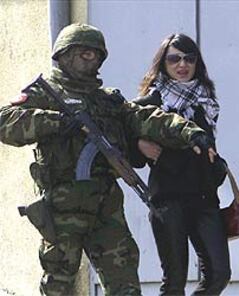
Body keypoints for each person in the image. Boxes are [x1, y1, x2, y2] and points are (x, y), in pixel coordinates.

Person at [0, 24, 215, 296]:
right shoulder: (44, 93)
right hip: (63, 206)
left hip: (106, 205)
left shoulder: (108, 100)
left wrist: (190, 132)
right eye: (82, 53)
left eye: (94, 54)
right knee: (58, 284)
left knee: (124, 283)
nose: (89, 59)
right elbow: (5, 122)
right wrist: (56, 122)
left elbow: (146, 118)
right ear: (64, 55)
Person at [133, 33, 231, 296]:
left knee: (219, 273)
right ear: (163, 64)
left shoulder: (205, 100)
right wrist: (139, 146)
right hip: (168, 198)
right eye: (174, 59)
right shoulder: (152, 101)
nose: (182, 65)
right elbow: (122, 134)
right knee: (174, 280)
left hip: (204, 197)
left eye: (189, 58)